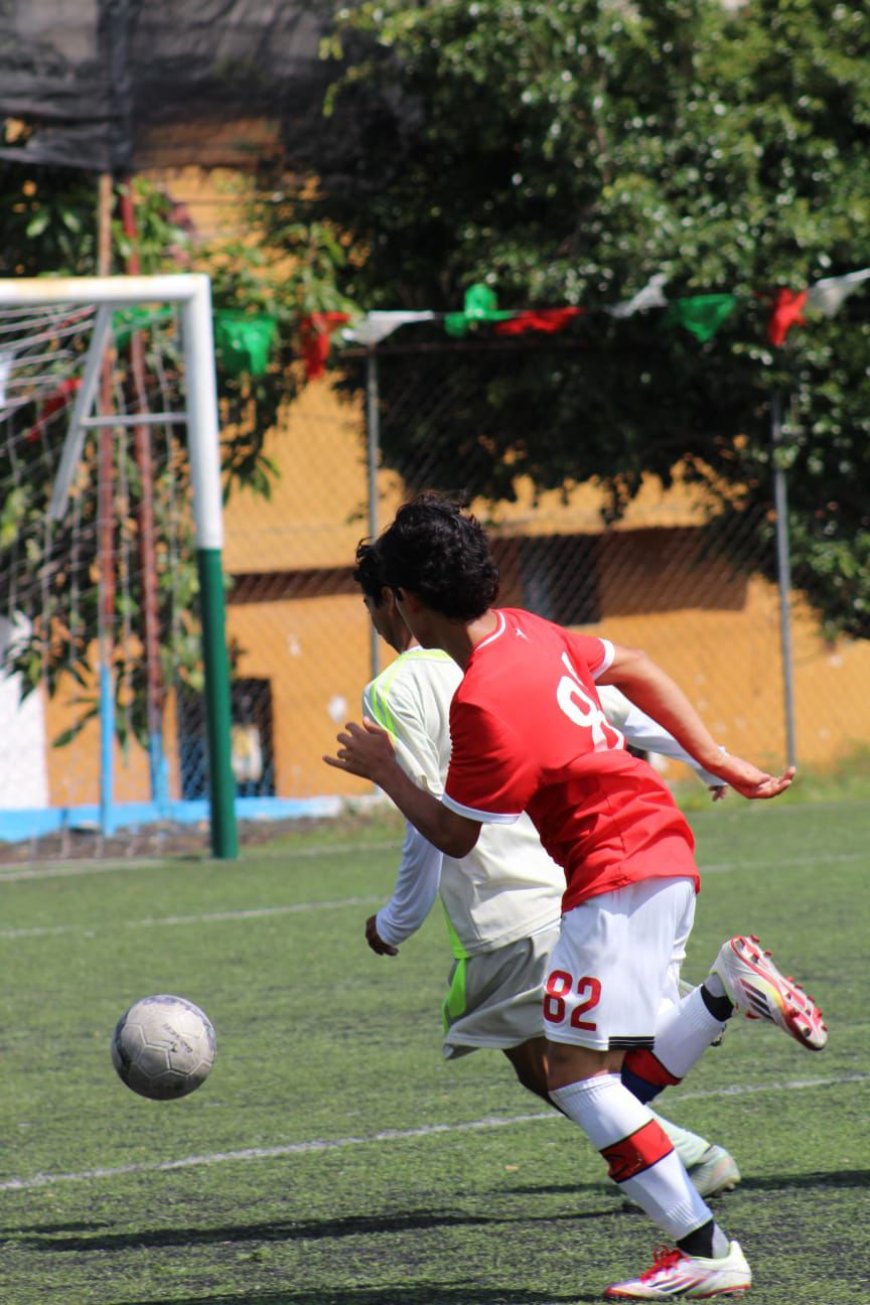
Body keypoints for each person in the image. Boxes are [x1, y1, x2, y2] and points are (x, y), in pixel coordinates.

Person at [326, 493, 827, 1301]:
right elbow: (633, 665)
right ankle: (725, 989)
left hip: (610, 870)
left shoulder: (482, 700)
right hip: (660, 847)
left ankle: (706, 1247)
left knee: (576, 1081)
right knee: (611, 1080)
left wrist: (386, 769)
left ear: (408, 601)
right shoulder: (530, 628)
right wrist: (714, 757)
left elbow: (455, 837)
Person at [354, 537, 741, 1200]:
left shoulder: (392, 689)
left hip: (502, 911)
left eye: (373, 603)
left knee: (559, 1070)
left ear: (397, 598)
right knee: (589, 1055)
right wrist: (710, 759)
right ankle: (712, 1020)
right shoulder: (516, 640)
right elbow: (616, 706)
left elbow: (434, 822)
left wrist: (396, 921)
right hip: (579, 880)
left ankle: (690, 1174)